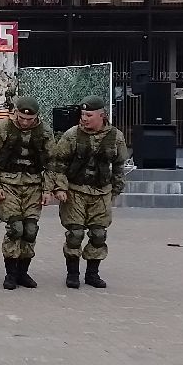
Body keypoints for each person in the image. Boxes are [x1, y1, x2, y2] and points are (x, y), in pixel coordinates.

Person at [50, 96, 129, 289]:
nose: (84, 118)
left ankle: (92, 274)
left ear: (102, 116)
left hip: (101, 192)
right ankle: (73, 274)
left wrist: (115, 191)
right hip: (75, 191)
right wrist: (59, 187)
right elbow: (57, 164)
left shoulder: (115, 137)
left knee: (99, 234)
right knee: (75, 233)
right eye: (82, 114)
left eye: (89, 115)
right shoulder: (72, 135)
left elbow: (119, 166)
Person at [0, 94, 55, 290]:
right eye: (21, 118)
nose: (24, 122)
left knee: (30, 230)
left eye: (29, 120)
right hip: (8, 184)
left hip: (33, 185)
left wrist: (48, 189)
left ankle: (23, 272)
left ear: (37, 117)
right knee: (16, 229)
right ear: (15, 113)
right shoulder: (3, 128)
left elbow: (51, 163)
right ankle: (11, 274)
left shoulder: (44, 132)